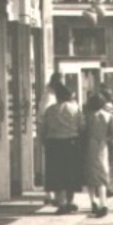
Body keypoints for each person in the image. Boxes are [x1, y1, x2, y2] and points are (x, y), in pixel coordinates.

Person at [38, 73, 82, 213]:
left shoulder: (50, 110)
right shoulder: (76, 109)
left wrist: (43, 142)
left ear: (57, 97)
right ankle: (70, 202)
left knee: (57, 175)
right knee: (71, 174)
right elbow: (82, 127)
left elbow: (43, 128)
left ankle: (61, 203)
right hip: (72, 143)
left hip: (54, 144)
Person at [83, 88, 113, 217]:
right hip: (102, 147)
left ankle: (93, 202)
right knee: (102, 176)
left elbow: (82, 131)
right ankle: (104, 203)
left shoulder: (87, 117)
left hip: (89, 147)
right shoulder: (109, 116)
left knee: (90, 177)